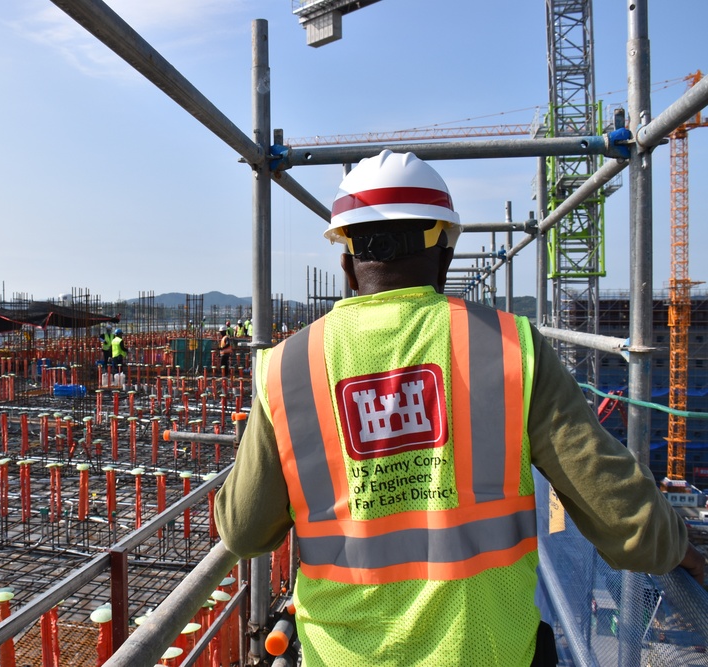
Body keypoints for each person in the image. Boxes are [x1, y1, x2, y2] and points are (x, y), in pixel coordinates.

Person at [215, 150, 705, 667]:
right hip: (488, 652)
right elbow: (625, 520)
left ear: (346, 263)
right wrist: (680, 550)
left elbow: (244, 531)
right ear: (446, 252)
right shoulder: (511, 347)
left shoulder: (287, 367)